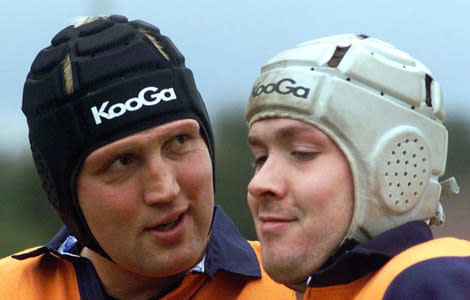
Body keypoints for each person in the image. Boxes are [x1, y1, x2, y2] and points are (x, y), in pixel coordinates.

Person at [0, 15, 295, 300]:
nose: (165, 190)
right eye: (122, 162)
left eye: (179, 141)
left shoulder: (302, 290)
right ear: (65, 199)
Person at [245, 33, 470, 299]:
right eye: (261, 158)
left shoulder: (433, 283)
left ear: (394, 166)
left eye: (302, 153)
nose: (259, 183)